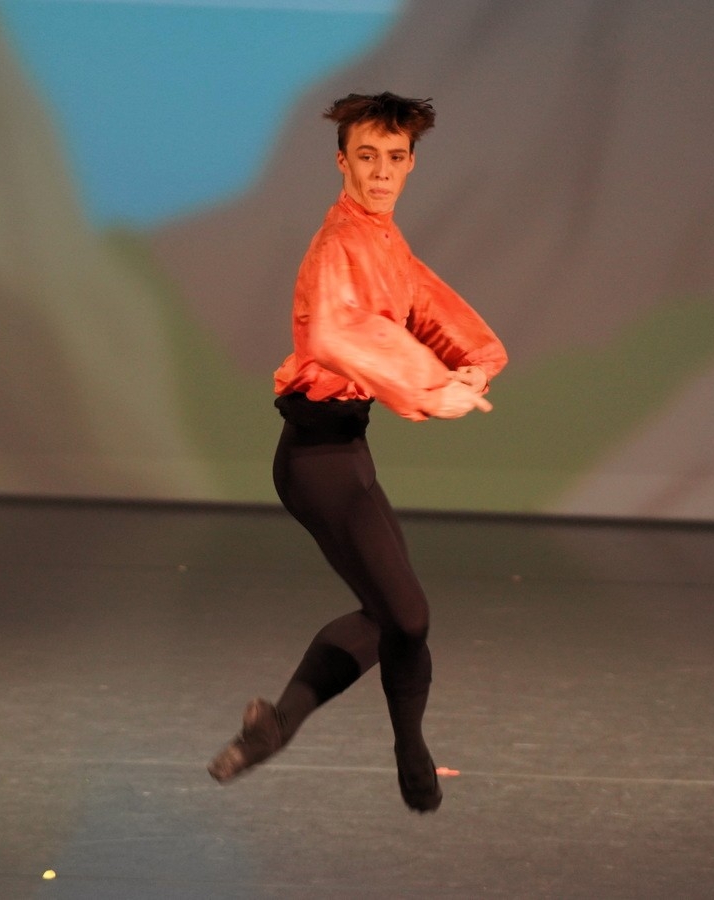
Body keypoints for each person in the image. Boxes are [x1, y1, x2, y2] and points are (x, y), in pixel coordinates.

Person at [207, 92, 507, 813]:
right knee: (406, 615)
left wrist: (475, 363)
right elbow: (338, 332)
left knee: (391, 616)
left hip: (346, 450)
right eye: (367, 157)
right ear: (341, 162)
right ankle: (401, 753)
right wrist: (431, 389)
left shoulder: (382, 239)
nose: (381, 172)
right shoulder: (340, 242)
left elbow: (429, 308)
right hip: (317, 461)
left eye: (395, 158)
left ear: (410, 165)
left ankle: (282, 726)